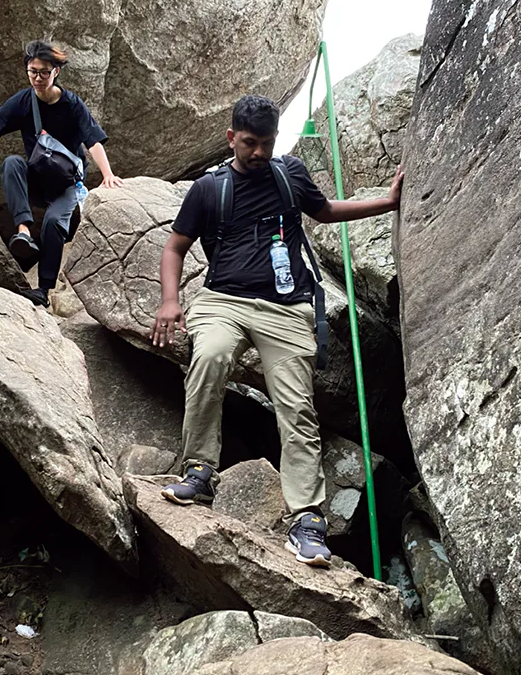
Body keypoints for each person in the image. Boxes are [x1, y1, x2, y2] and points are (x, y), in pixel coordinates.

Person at [149, 94, 403, 567]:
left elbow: (324, 211)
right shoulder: (209, 190)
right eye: (250, 143)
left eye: (267, 143)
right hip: (224, 301)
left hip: (286, 309)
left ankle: (307, 521)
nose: (260, 153)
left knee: (296, 406)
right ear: (231, 138)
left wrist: (386, 203)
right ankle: (199, 470)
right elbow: (174, 248)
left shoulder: (289, 175)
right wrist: (169, 301)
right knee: (210, 358)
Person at [0, 39, 124, 306]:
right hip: (37, 180)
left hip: (67, 185)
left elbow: (92, 141)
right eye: (33, 71)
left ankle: (44, 291)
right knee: (12, 162)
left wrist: (107, 175)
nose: (38, 78)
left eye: (44, 72)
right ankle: (23, 232)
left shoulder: (72, 104)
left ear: (56, 72)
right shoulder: (23, 101)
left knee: (52, 223)